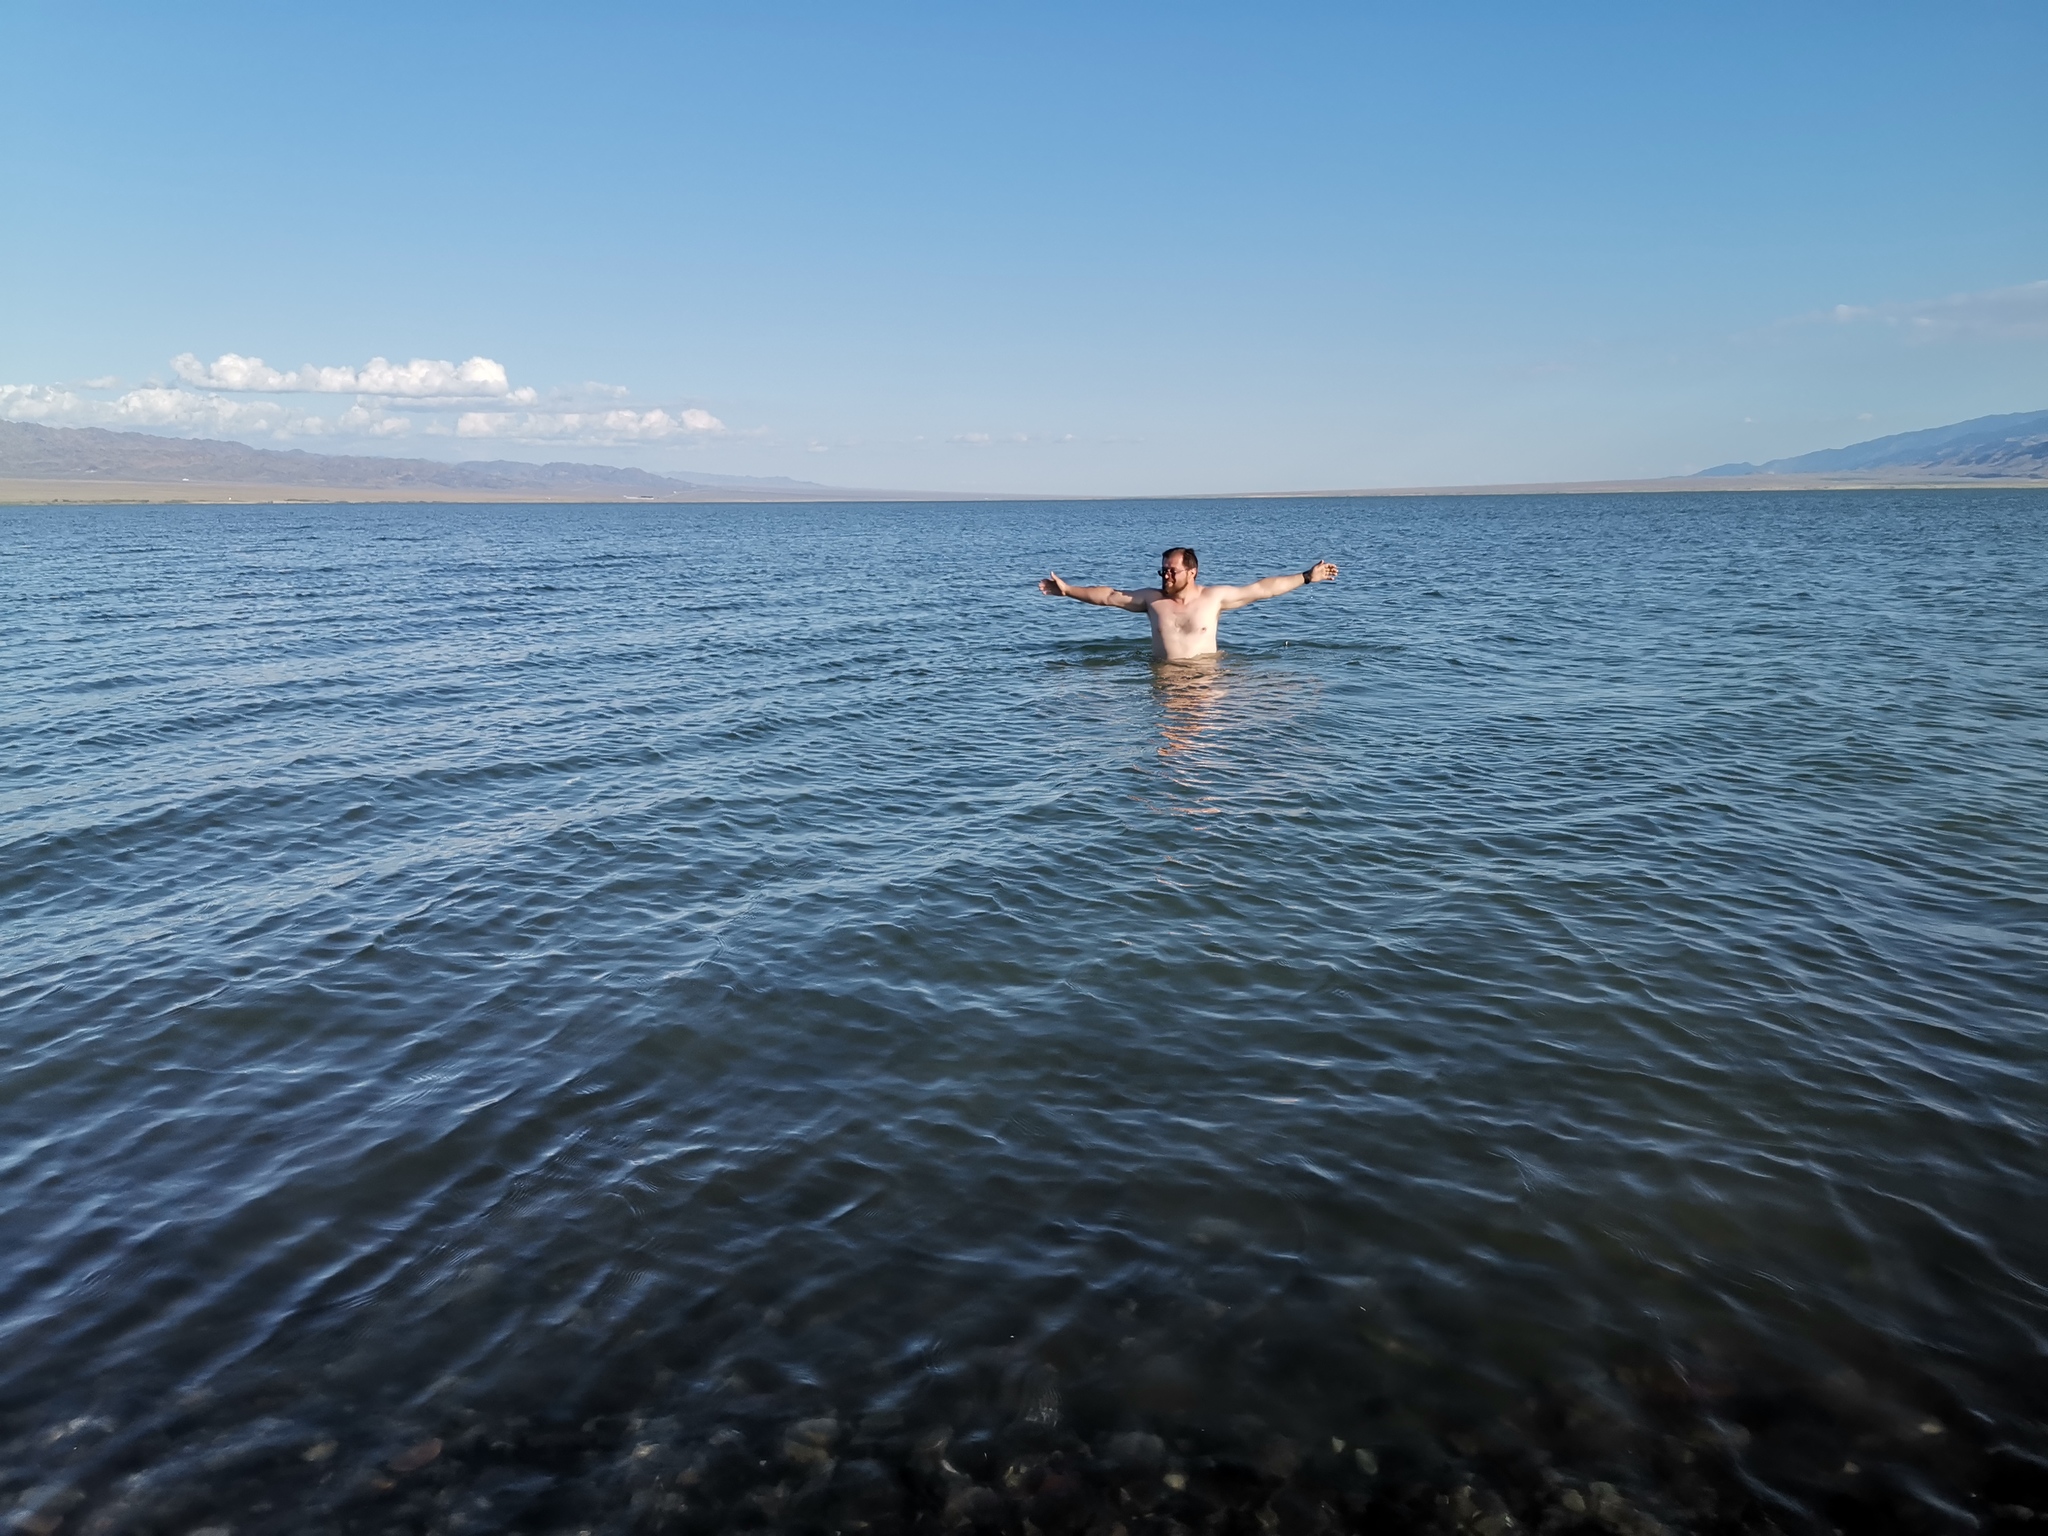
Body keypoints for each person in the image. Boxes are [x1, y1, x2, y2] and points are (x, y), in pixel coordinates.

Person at [1037, 546, 1338, 661]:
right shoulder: (1151, 600)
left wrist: (1306, 577)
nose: (1165, 575)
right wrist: (1068, 590)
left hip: (1204, 684)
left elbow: (1262, 589)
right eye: (1163, 570)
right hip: (1163, 682)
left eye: (1172, 571)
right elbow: (1108, 596)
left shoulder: (1213, 598)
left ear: (1192, 572)